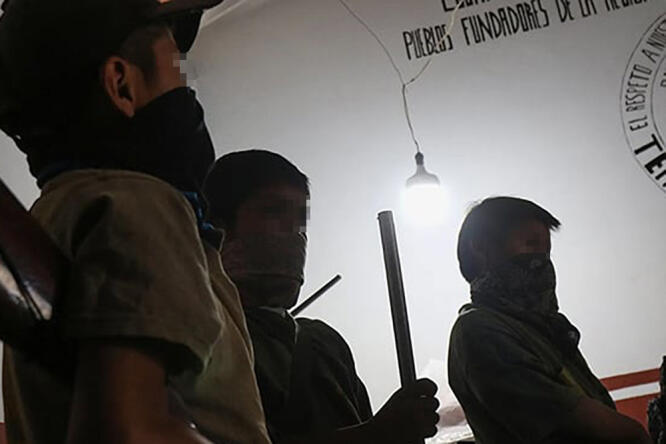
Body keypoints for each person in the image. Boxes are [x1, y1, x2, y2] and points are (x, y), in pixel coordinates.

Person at [0, 1, 270, 443]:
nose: (188, 98)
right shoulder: (138, 204)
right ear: (121, 85)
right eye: (177, 76)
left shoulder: (57, 213)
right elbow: (128, 431)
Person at [203, 149, 440, 444]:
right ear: (218, 228)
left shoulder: (325, 344)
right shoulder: (203, 335)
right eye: (273, 212)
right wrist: (377, 433)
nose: (295, 234)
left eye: (300, 220)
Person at [448, 196, 651, 444]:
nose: (542, 260)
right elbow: (576, 423)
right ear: (481, 247)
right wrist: (636, 433)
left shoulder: (540, 327)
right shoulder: (478, 330)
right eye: (531, 244)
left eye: (547, 251)